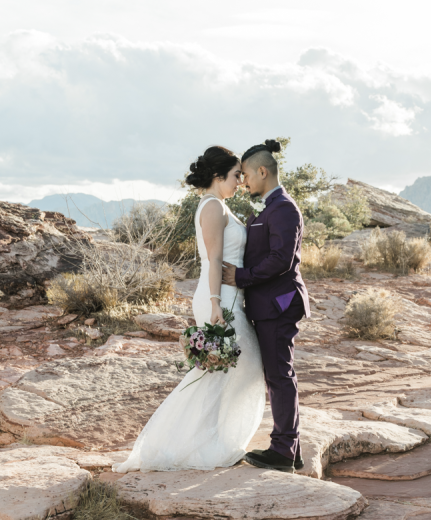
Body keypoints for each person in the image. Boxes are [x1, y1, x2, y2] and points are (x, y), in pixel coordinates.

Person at [112, 146, 265, 473]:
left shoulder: (221, 205)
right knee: (220, 370)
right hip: (220, 298)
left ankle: (212, 441)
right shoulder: (212, 207)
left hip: (228, 295)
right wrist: (214, 305)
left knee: (229, 370)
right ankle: (185, 446)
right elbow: (212, 260)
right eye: (236, 175)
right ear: (217, 175)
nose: (240, 181)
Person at [222, 139, 310, 473]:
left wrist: (239, 276)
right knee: (279, 375)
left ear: (262, 171)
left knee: (279, 376)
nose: (243, 182)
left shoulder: (284, 208)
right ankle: (292, 449)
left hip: (279, 303)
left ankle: (283, 451)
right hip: (270, 304)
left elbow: (281, 260)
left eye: (245, 174)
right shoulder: (272, 207)